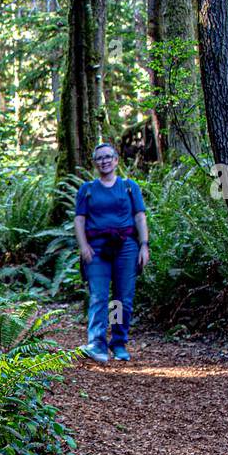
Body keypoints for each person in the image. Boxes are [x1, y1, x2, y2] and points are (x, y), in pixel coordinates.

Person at [73, 143, 150, 363]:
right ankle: (96, 343)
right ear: (95, 163)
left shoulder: (129, 187)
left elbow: (140, 216)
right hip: (96, 248)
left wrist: (144, 245)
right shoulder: (87, 189)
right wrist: (83, 245)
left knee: (122, 298)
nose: (104, 161)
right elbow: (80, 219)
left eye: (108, 157)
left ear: (116, 160)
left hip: (126, 247)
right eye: (100, 158)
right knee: (98, 296)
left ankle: (118, 342)